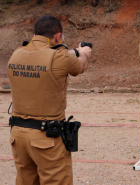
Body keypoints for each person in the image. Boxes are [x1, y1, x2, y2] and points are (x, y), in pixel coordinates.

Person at [7, 15, 92, 185]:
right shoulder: (60, 57)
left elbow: (43, 55)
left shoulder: (17, 54)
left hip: (18, 136)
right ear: (58, 36)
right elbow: (80, 65)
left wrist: (71, 51)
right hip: (46, 139)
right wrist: (83, 53)